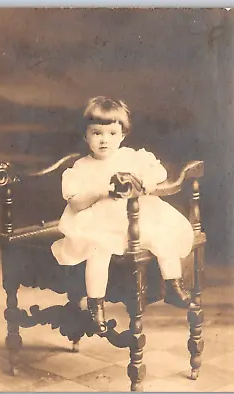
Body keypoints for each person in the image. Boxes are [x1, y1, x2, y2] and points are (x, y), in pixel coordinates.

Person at [51, 96, 194, 334]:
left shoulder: (130, 157)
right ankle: (95, 304)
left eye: (112, 134)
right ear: (85, 136)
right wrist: (101, 190)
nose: (104, 140)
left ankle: (173, 284)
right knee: (98, 249)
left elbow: (158, 171)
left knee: (163, 232)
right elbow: (75, 202)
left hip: (134, 220)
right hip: (98, 224)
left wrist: (146, 181)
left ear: (123, 135)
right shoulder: (82, 167)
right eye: (97, 133)